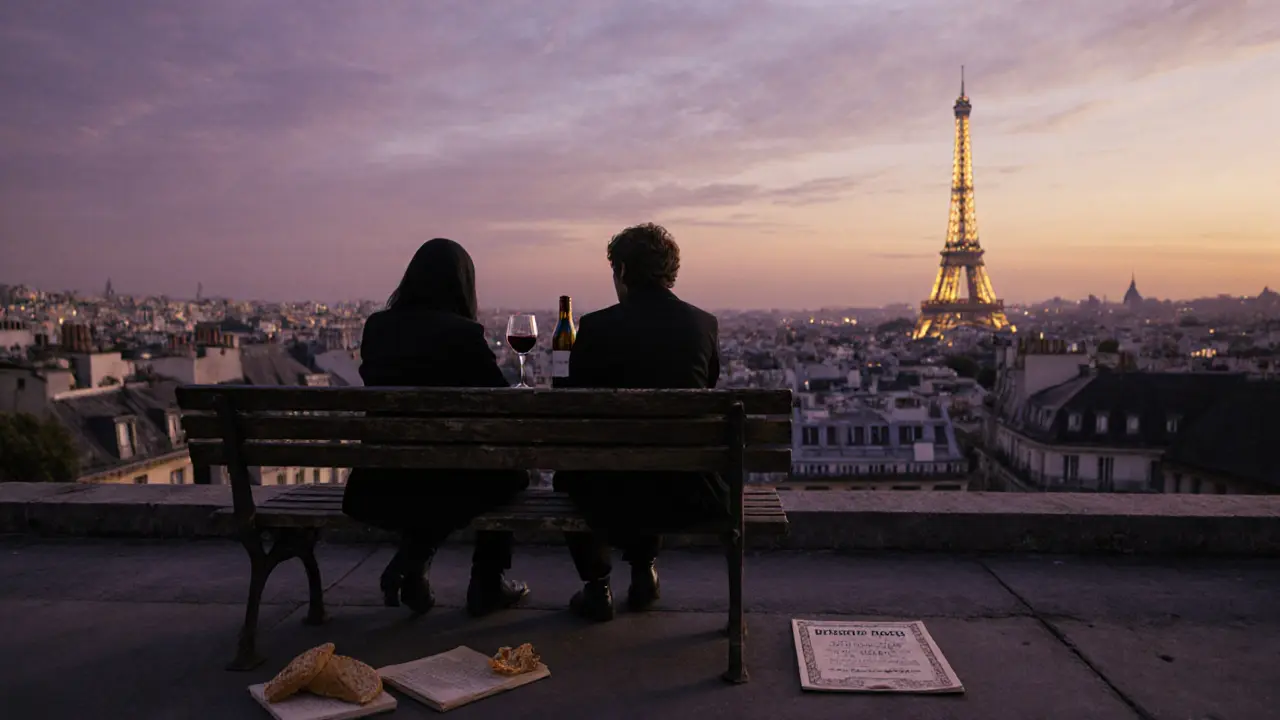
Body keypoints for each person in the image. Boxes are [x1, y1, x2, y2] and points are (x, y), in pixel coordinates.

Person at [342, 238, 530, 617]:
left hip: (380, 482)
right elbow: (500, 403)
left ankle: (416, 557)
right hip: (445, 482)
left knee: (438, 477)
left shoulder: (377, 328)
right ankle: (486, 581)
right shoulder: (463, 335)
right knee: (510, 473)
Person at [555, 223, 726, 621]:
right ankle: (644, 570)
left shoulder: (595, 327)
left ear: (624, 272)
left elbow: (571, 402)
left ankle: (597, 587)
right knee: (657, 452)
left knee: (584, 467)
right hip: (687, 487)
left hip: (607, 488)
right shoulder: (703, 325)